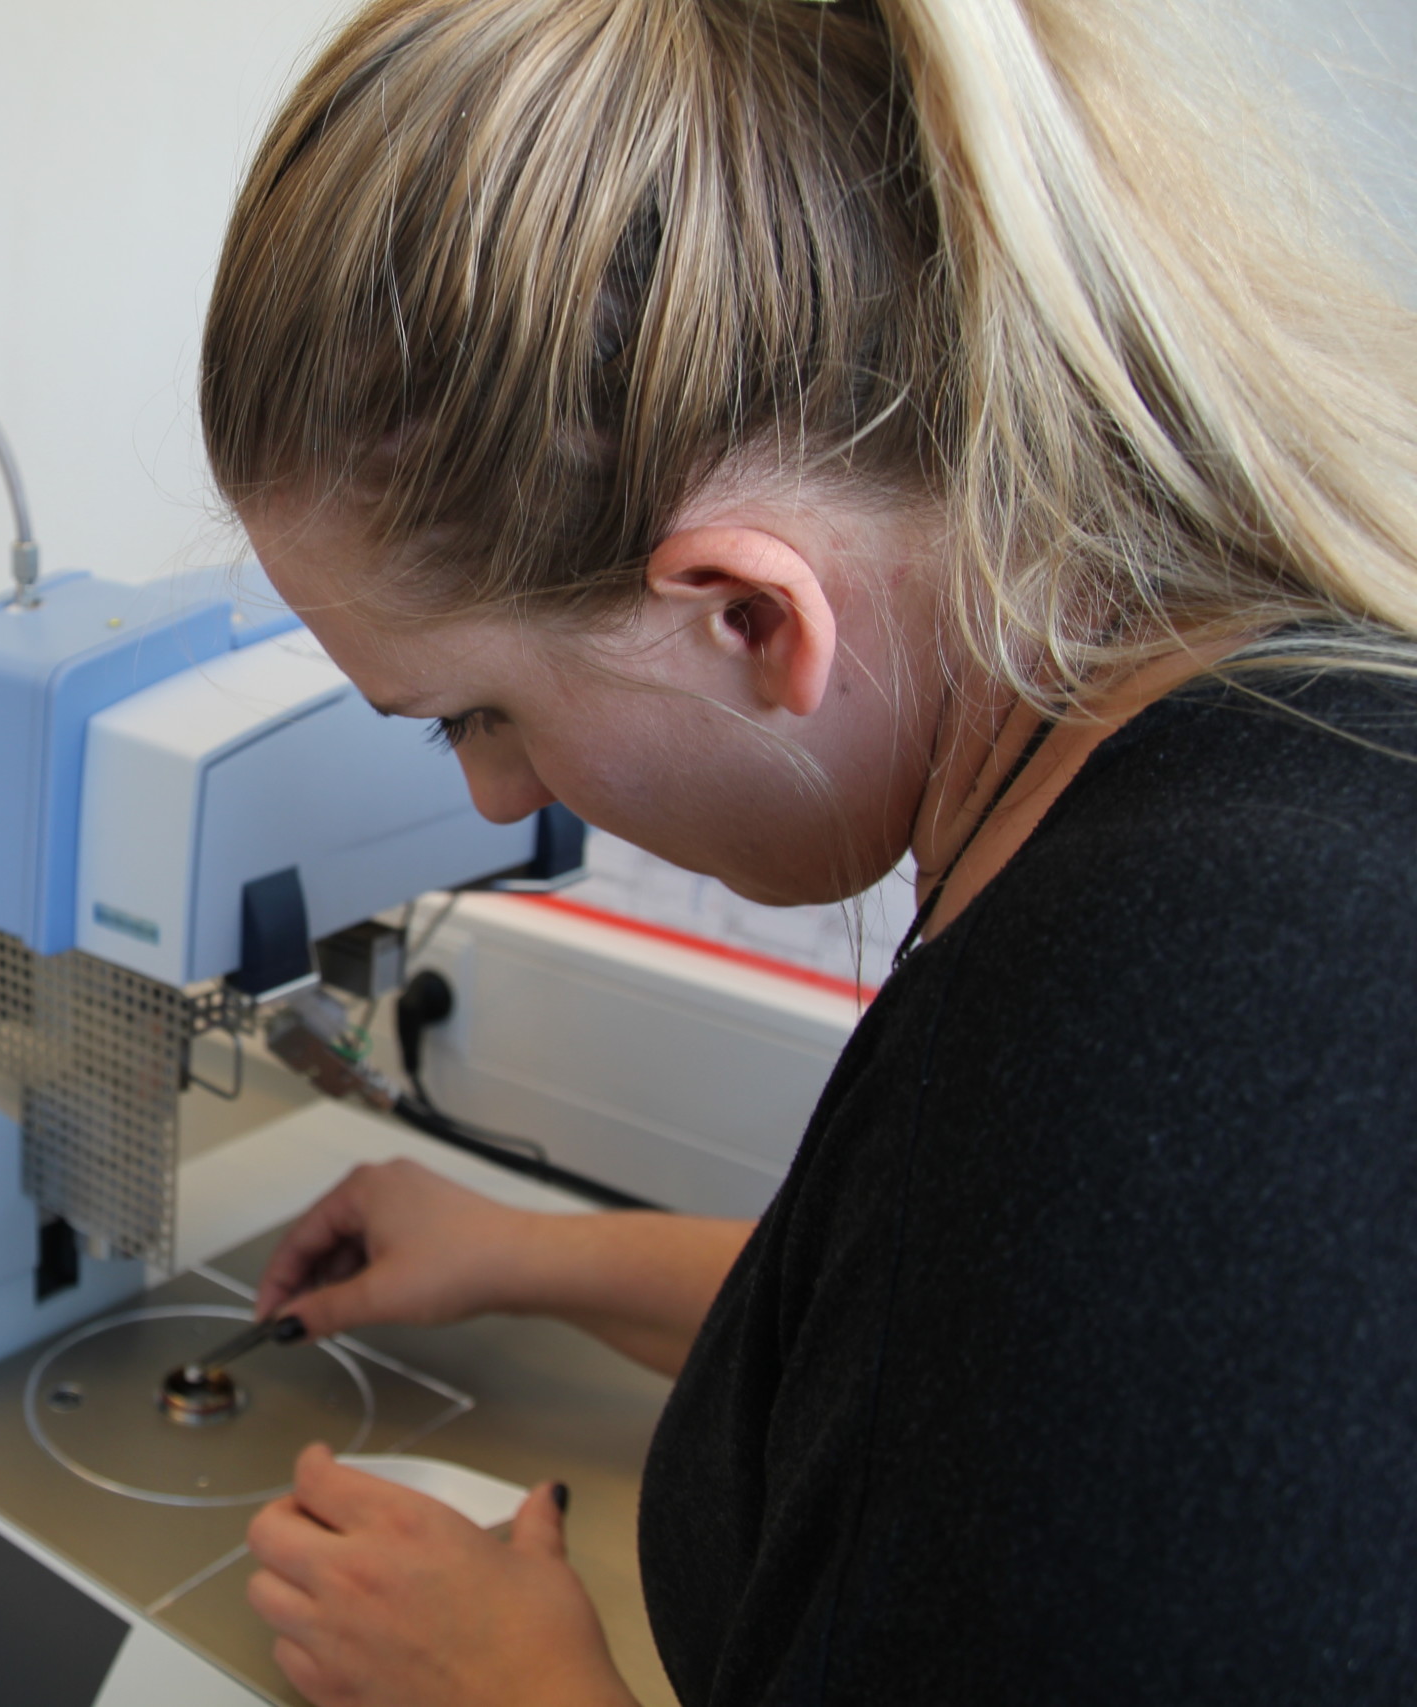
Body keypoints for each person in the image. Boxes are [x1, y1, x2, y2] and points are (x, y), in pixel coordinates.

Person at [197, 1, 1417, 1702]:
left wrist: (520, 1684)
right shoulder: (1262, 767)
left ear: (752, 617)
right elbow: (964, 1370)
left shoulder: (1169, 1060)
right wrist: (525, 1253)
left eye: (472, 714)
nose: (489, 796)